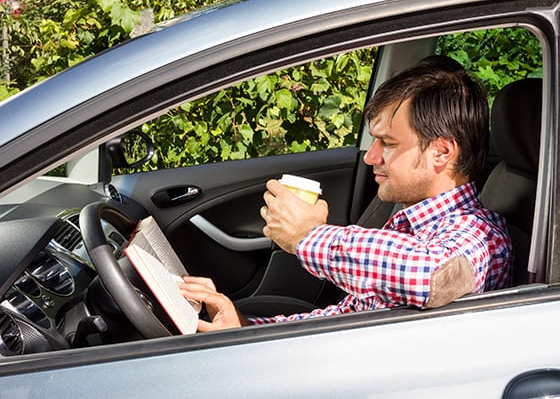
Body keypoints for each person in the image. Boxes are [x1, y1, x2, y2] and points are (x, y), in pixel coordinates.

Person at [178, 61, 512, 331]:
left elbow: (434, 275)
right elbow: (347, 314)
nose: (371, 157)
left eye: (388, 143)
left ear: (441, 152)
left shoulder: (480, 234)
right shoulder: (409, 231)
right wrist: (244, 326)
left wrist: (307, 237)